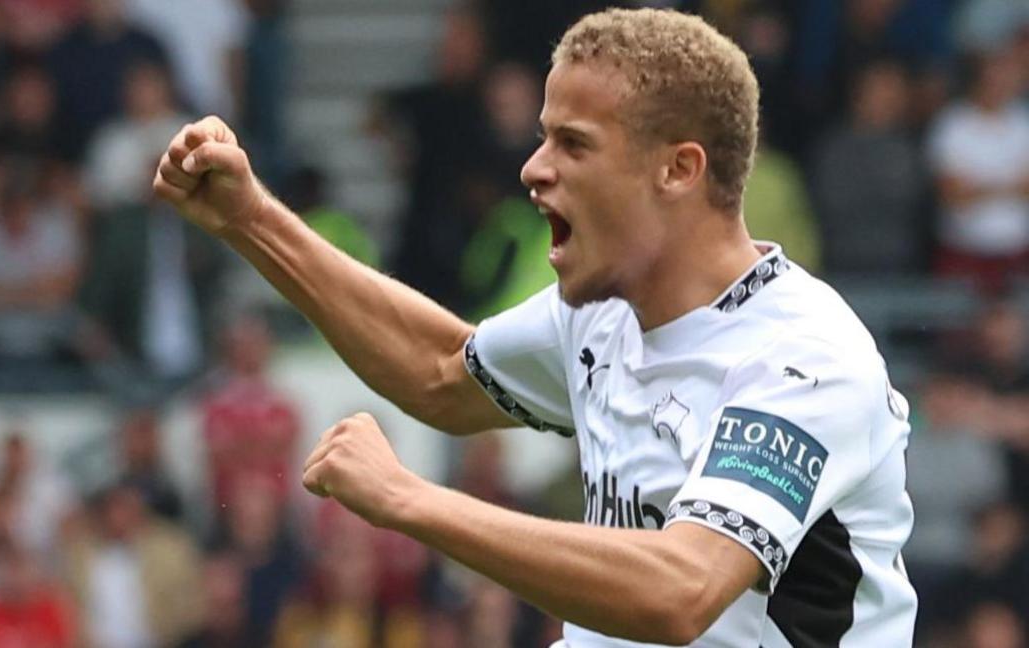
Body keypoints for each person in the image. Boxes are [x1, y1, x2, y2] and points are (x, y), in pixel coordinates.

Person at [153, 7, 917, 646]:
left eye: (574, 143)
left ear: (680, 170)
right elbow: (442, 372)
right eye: (545, 135)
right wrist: (252, 222)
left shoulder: (801, 355)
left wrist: (411, 501)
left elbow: (685, 588)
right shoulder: (602, 312)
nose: (533, 168)